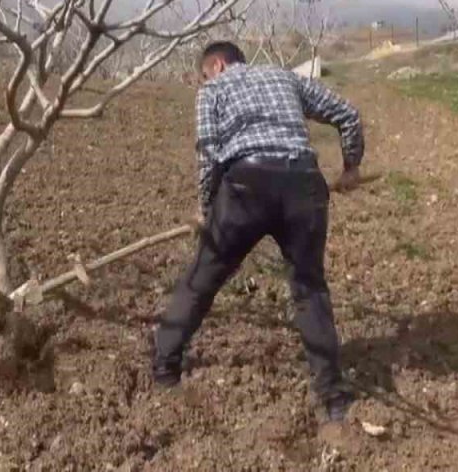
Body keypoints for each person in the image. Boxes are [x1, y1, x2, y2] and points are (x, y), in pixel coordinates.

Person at [152, 41, 364, 423]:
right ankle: (333, 397)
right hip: (304, 185)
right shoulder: (285, 77)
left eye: (204, 73)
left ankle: (165, 368)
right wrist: (350, 168)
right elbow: (347, 114)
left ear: (215, 66)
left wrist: (206, 209)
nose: (204, 79)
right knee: (309, 289)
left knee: (202, 279)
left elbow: (209, 154)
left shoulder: (212, 90)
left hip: (245, 188)